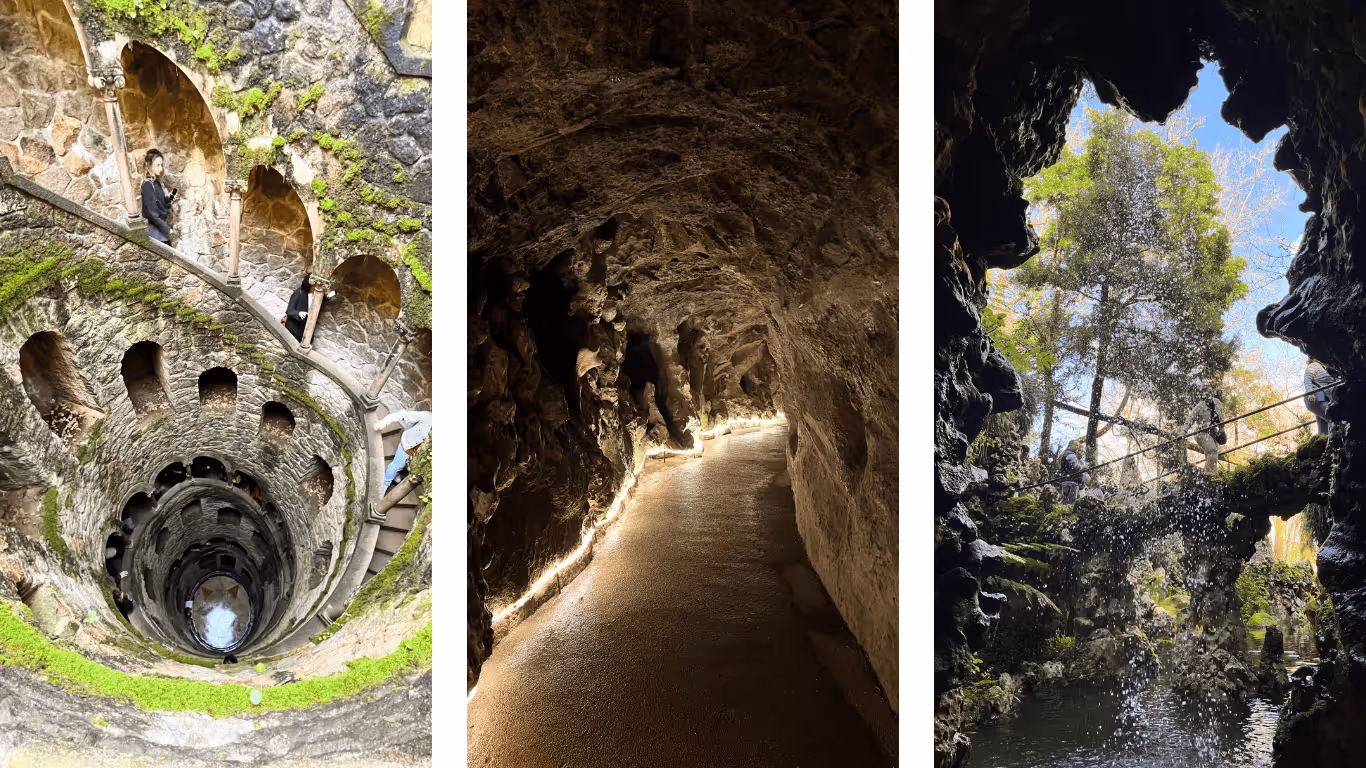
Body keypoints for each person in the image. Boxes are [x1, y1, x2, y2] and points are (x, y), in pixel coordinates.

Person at [375, 409, 431, 491]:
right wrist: (384, 422)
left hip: (419, 454)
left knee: (404, 465)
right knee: (397, 465)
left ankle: (396, 473)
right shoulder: (427, 417)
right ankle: (384, 484)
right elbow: (402, 415)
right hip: (408, 446)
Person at [281, 273, 336, 343]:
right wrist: (299, 313)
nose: (315, 289)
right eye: (313, 287)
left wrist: (332, 293)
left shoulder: (317, 296)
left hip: (306, 330)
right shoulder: (299, 293)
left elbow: (326, 298)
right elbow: (289, 311)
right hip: (294, 329)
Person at [1182, 393, 1228, 473]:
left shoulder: (1217, 402)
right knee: (1212, 451)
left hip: (1213, 432)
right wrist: (1183, 432)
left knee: (1211, 454)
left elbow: (1221, 418)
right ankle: (1210, 476)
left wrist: (1221, 430)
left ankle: (1207, 475)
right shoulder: (1199, 407)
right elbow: (1190, 419)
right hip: (1200, 433)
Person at [140, 149, 177, 245]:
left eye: (161, 165)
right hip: (156, 235)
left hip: (162, 233)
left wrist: (171, 197)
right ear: (149, 166)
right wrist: (168, 229)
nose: (161, 169)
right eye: (157, 165)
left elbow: (163, 206)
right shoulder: (147, 185)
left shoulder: (156, 183)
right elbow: (152, 214)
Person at [1304, 357, 1339, 435]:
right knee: (1333, 415)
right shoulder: (1314, 365)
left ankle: (1323, 440)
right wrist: (1310, 393)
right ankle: (1334, 438)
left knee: (1323, 428)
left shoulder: (1326, 369)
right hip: (1318, 396)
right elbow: (1307, 378)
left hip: (1322, 397)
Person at [1057, 439, 1087, 504]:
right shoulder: (1070, 455)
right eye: (1076, 445)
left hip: (1068, 483)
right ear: (1071, 445)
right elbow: (1075, 468)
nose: (1077, 447)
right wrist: (1083, 467)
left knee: (1066, 502)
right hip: (1071, 484)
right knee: (1069, 504)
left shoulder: (1066, 454)